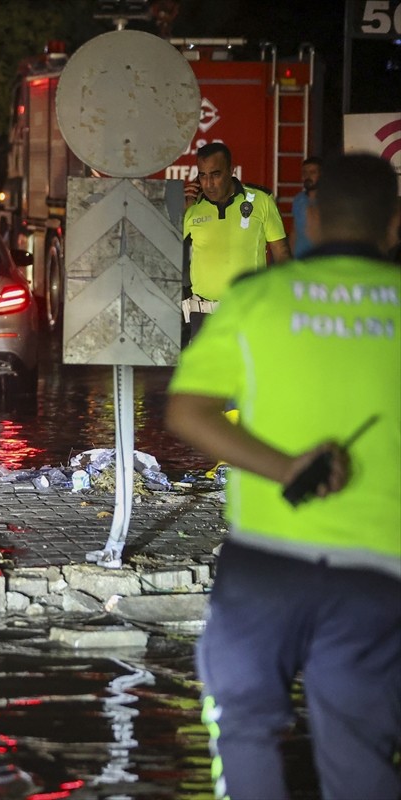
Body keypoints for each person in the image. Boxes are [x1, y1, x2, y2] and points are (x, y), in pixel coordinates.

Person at [165, 153, 401, 800]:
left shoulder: (258, 299)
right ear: (395, 224)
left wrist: (286, 468)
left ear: (313, 219)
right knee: (361, 748)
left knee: (242, 724)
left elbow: (188, 410)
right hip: (379, 574)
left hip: (265, 564)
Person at [182, 142, 291, 340]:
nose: (208, 184)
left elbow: (282, 254)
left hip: (248, 310)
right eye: (202, 175)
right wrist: (186, 208)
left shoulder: (260, 200)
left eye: (215, 174)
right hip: (203, 315)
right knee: (206, 372)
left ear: (231, 171)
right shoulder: (193, 206)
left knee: (250, 371)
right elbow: (168, 250)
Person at [289, 156, 322, 258]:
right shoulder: (299, 199)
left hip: (321, 260)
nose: (308, 176)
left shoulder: (330, 201)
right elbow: (294, 231)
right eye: (305, 173)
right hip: (300, 260)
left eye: (312, 172)